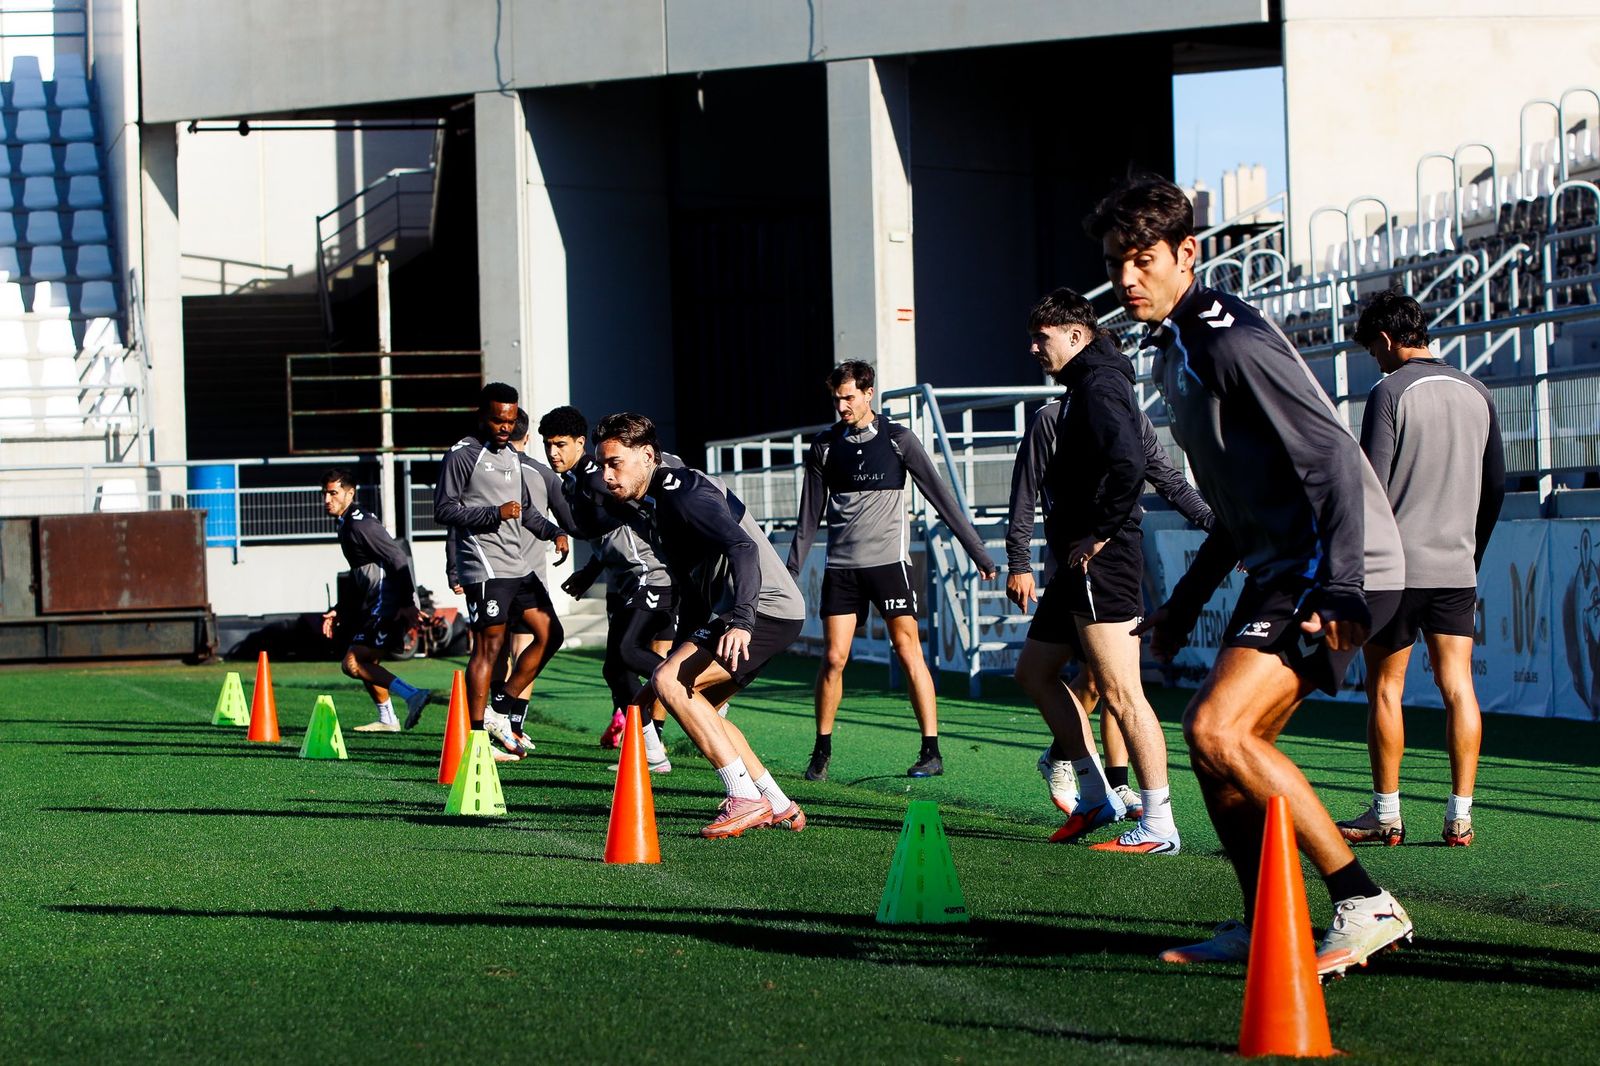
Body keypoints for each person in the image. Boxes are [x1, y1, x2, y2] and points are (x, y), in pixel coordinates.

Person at [1091, 175, 1411, 978]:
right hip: (1287, 567)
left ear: (1186, 254)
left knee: (1216, 729)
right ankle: (1265, 920)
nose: (1128, 278)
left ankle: (1363, 900)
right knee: (1219, 750)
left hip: (1338, 563)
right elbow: (1234, 502)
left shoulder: (1225, 339)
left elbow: (1335, 455)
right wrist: (1187, 602)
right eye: (1116, 263)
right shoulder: (1176, 347)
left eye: (1143, 260)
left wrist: (1340, 586)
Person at [1002, 288, 1181, 854]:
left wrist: (1102, 529)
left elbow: (1133, 462)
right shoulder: (1084, 385)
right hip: (1075, 562)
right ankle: (1096, 793)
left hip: (1103, 560)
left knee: (1122, 692)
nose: (1033, 347)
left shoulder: (1101, 384)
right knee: (1033, 671)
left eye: (1043, 337)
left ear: (1076, 335)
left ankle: (1159, 825)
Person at [1337, 289, 1504, 848]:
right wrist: (1470, 551)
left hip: (1396, 571)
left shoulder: (1389, 392)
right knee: (1460, 687)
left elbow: (1372, 488)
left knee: (1385, 690)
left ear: (1385, 340)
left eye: (1373, 351)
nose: (1375, 363)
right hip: (1456, 567)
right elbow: (1497, 488)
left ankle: (1386, 814)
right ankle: (1460, 815)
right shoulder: (1478, 390)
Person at [594, 411, 807, 838]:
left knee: (671, 683)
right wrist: (680, 651)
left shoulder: (683, 491)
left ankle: (744, 798)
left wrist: (743, 621)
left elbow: (744, 548)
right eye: (602, 465)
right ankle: (779, 804)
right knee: (693, 700)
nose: (605, 475)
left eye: (614, 463)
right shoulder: (652, 505)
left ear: (648, 456)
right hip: (757, 612)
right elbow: (693, 589)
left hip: (763, 609)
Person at [786, 360, 998, 780]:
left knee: (907, 651)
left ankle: (931, 751)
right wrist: (789, 572)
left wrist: (980, 554)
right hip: (841, 569)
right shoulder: (824, 447)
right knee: (833, 657)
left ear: (869, 393)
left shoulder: (899, 440)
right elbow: (808, 517)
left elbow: (942, 499)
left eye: (848, 397)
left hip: (889, 566)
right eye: (836, 399)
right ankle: (821, 752)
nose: (842, 406)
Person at [433, 382, 568, 759]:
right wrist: (494, 514)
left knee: (550, 634)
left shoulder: (510, 455)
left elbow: (524, 509)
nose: (505, 427)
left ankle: (500, 706)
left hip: (518, 564)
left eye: (509, 421)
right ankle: (476, 739)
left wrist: (554, 532)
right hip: (485, 565)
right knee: (489, 649)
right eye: (497, 421)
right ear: (482, 416)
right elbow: (443, 510)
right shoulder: (463, 454)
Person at [540, 405, 678, 769]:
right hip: (624, 578)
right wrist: (591, 569)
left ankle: (699, 687)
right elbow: (607, 530)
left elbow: (609, 518)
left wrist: (559, 522)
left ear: (580, 444)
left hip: (650, 572)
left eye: (560, 444)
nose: (553, 452)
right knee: (615, 668)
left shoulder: (592, 476)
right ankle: (650, 750)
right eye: (547, 445)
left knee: (629, 652)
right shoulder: (576, 480)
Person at [319, 468, 431, 731]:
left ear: (350, 493)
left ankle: (413, 694)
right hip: (374, 601)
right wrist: (339, 610)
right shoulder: (346, 524)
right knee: (367, 662)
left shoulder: (361, 524)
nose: (327, 499)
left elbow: (397, 558)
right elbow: (358, 575)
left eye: (333, 493)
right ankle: (387, 718)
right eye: (324, 493)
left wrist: (406, 603)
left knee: (353, 662)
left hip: (387, 601)